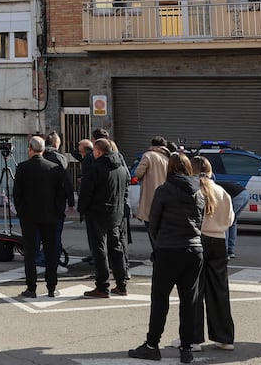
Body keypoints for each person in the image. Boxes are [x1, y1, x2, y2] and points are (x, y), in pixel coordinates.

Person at [129, 152, 205, 363]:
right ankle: (187, 348)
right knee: (189, 300)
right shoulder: (199, 191)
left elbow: (153, 223)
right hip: (194, 249)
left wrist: (161, 241)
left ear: (169, 168)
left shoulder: (164, 190)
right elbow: (201, 221)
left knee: (160, 299)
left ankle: (152, 344)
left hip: (169, 249)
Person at [189, 155, 235, 351]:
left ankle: (192, 338)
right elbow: (230, 219)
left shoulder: (192, 189)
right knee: (220, 290)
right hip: (218, 239)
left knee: (193, 290)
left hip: (198, 239)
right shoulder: (221, 191)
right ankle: (224, 337)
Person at [13, 135, 66, 298]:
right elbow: (61, 195)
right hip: (50, 217)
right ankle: (51, 287)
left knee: (30, 253)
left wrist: (21, 212)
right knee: (51, 252)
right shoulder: (54, 168)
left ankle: (31, 288)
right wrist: (57, 213)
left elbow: (17, 194)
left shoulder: (22, 168)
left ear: (30, 149)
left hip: (29, 217)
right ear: (43, 149)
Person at [78, 137, 130, 298]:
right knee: (116, 248)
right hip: (116, 214)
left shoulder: (96, 168)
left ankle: (102, 286)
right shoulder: (121, 167)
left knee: (99, 250)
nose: (93, 154)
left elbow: (86, 192)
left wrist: (82, 209)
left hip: (97, 213)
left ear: (99, 151)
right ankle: (121, 284)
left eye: (94, 150)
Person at [40, 132, 74, 270]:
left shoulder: (39, 156)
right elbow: (66, 182)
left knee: (39, 232)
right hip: (56, 203)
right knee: (55, 233)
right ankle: (52, 257)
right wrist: (71, 201)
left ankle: (40, 256)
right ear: (56, 143)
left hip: (40, 202)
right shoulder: (60, 158)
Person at [135, 136, 172, 228]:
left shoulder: (148, 155)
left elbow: (138, 173)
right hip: (165, 195)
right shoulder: (168, 157)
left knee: (151, 225)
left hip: (150, 196)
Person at [217, 179, 248, 259]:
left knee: (226, 222)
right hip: (244, 194)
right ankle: (231, 250)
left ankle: (225, 251)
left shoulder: (209, 187)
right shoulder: (216, 183)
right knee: (232, 222)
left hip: (237, 196)